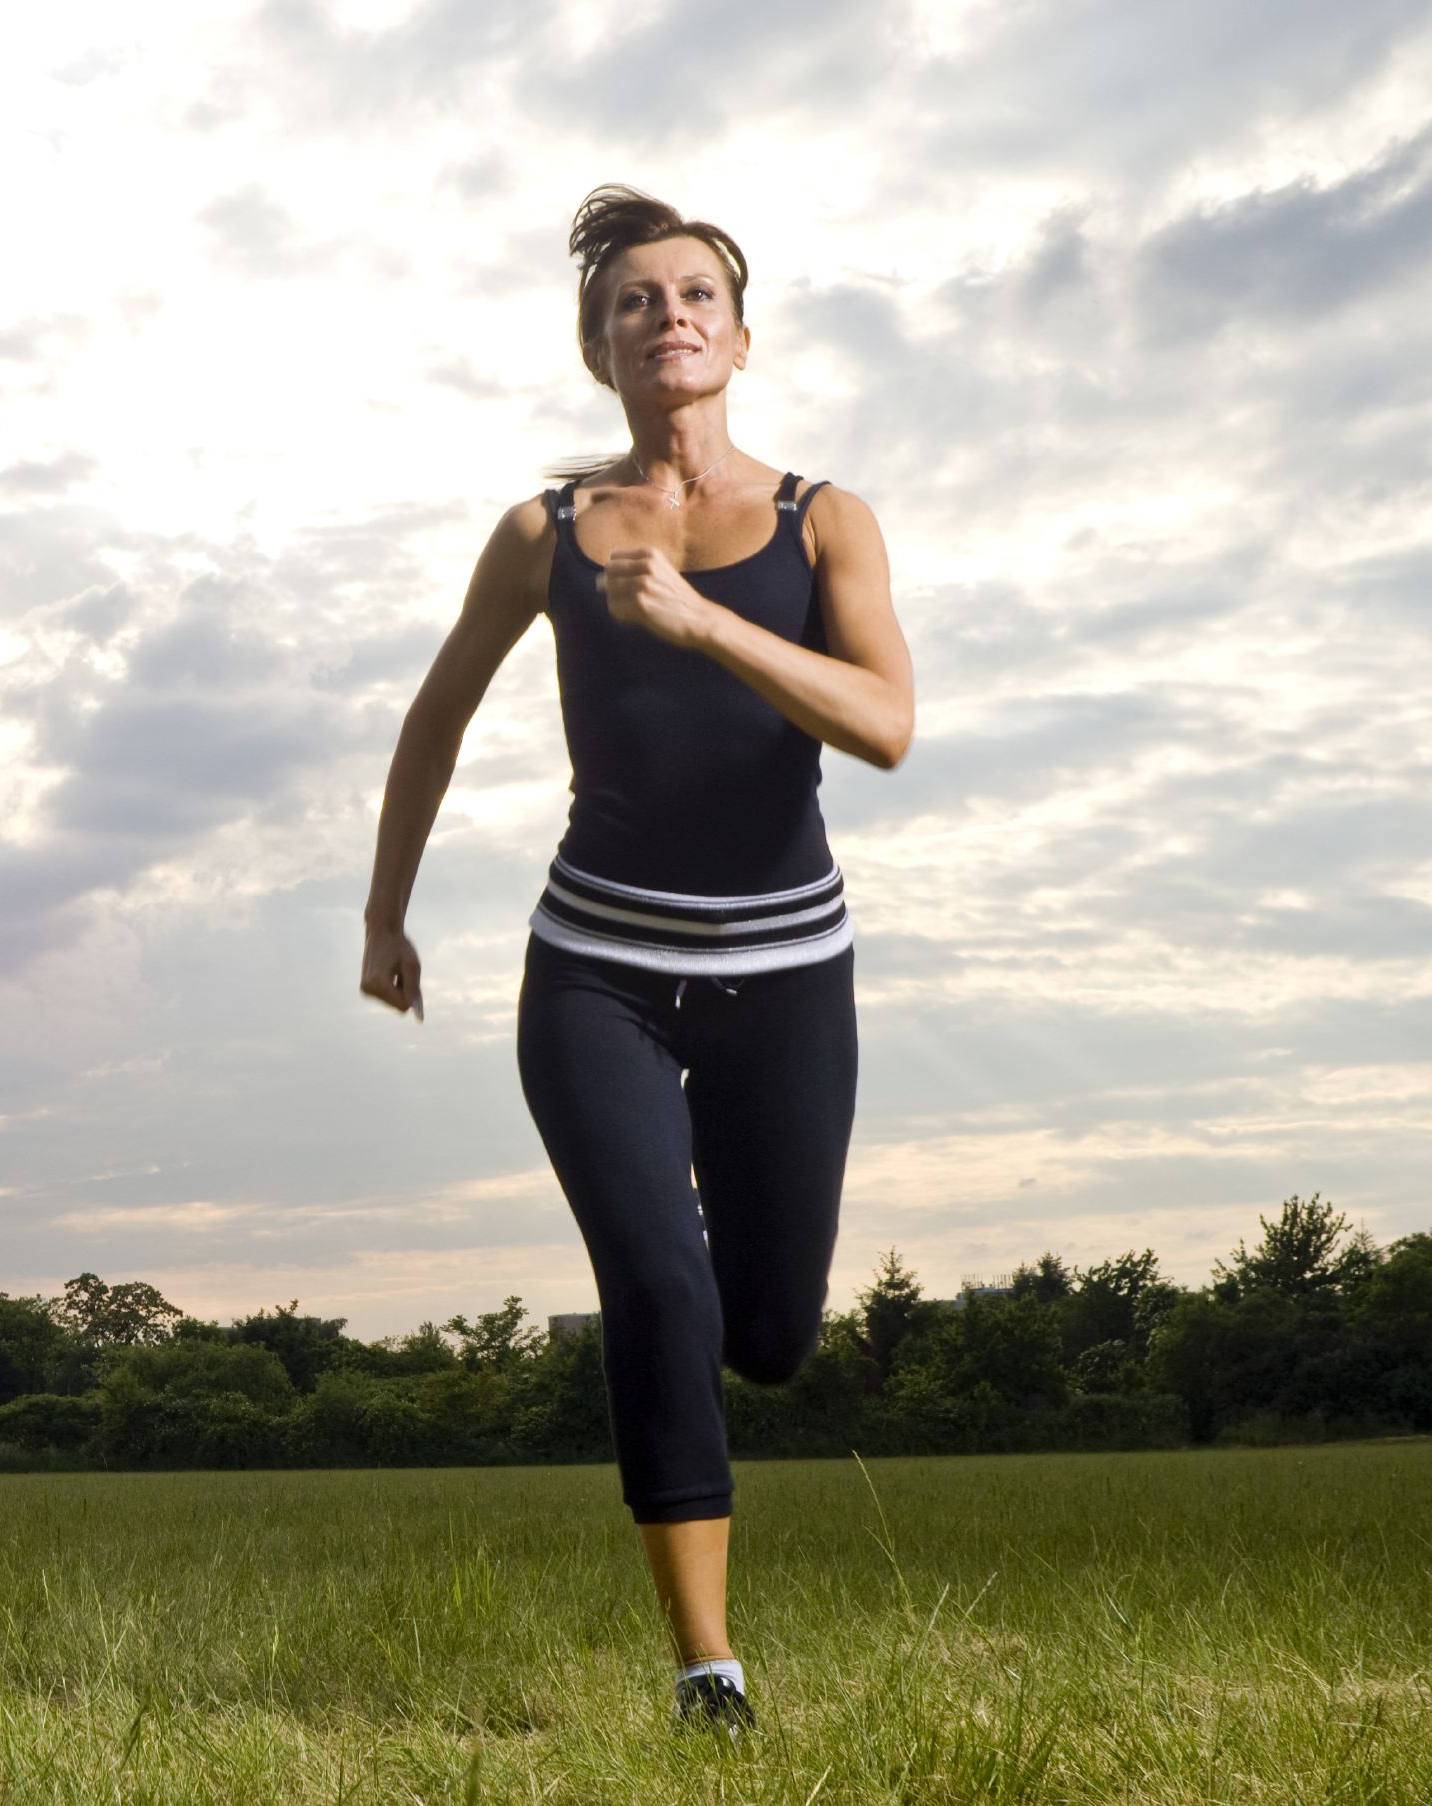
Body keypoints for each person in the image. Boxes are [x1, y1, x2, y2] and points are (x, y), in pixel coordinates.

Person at [356, 184, 915, 1740]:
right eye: (631, 302)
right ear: (597, 346)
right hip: (591, 967)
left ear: (737, 335)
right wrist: (382, 914)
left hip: (788, 974)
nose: (664, 316)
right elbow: (435, 717)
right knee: (657, 1286)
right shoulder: (541, 530)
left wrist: (698, 622)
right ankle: (707, 1671)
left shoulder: (824, 519)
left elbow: (881, 726)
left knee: (772, 1334)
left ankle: (745, 1356)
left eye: (692, 296)